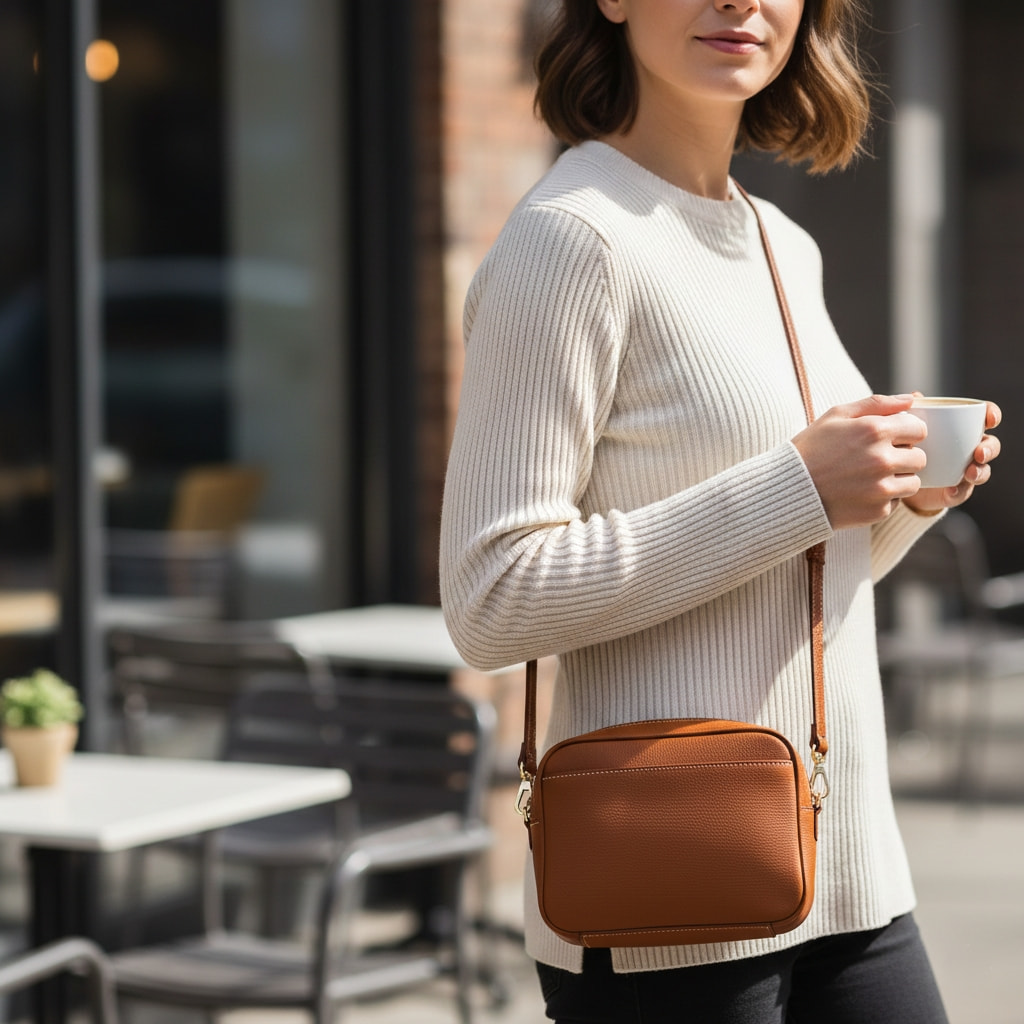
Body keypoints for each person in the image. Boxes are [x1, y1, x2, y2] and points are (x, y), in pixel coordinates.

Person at [439, 0, 1002, 1020]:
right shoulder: (570, 238)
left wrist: (900, 499)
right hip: (670, 891)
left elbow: (787, 559)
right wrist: (797, 484)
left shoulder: (780, 242)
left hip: (852, 871)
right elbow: (491, 596)